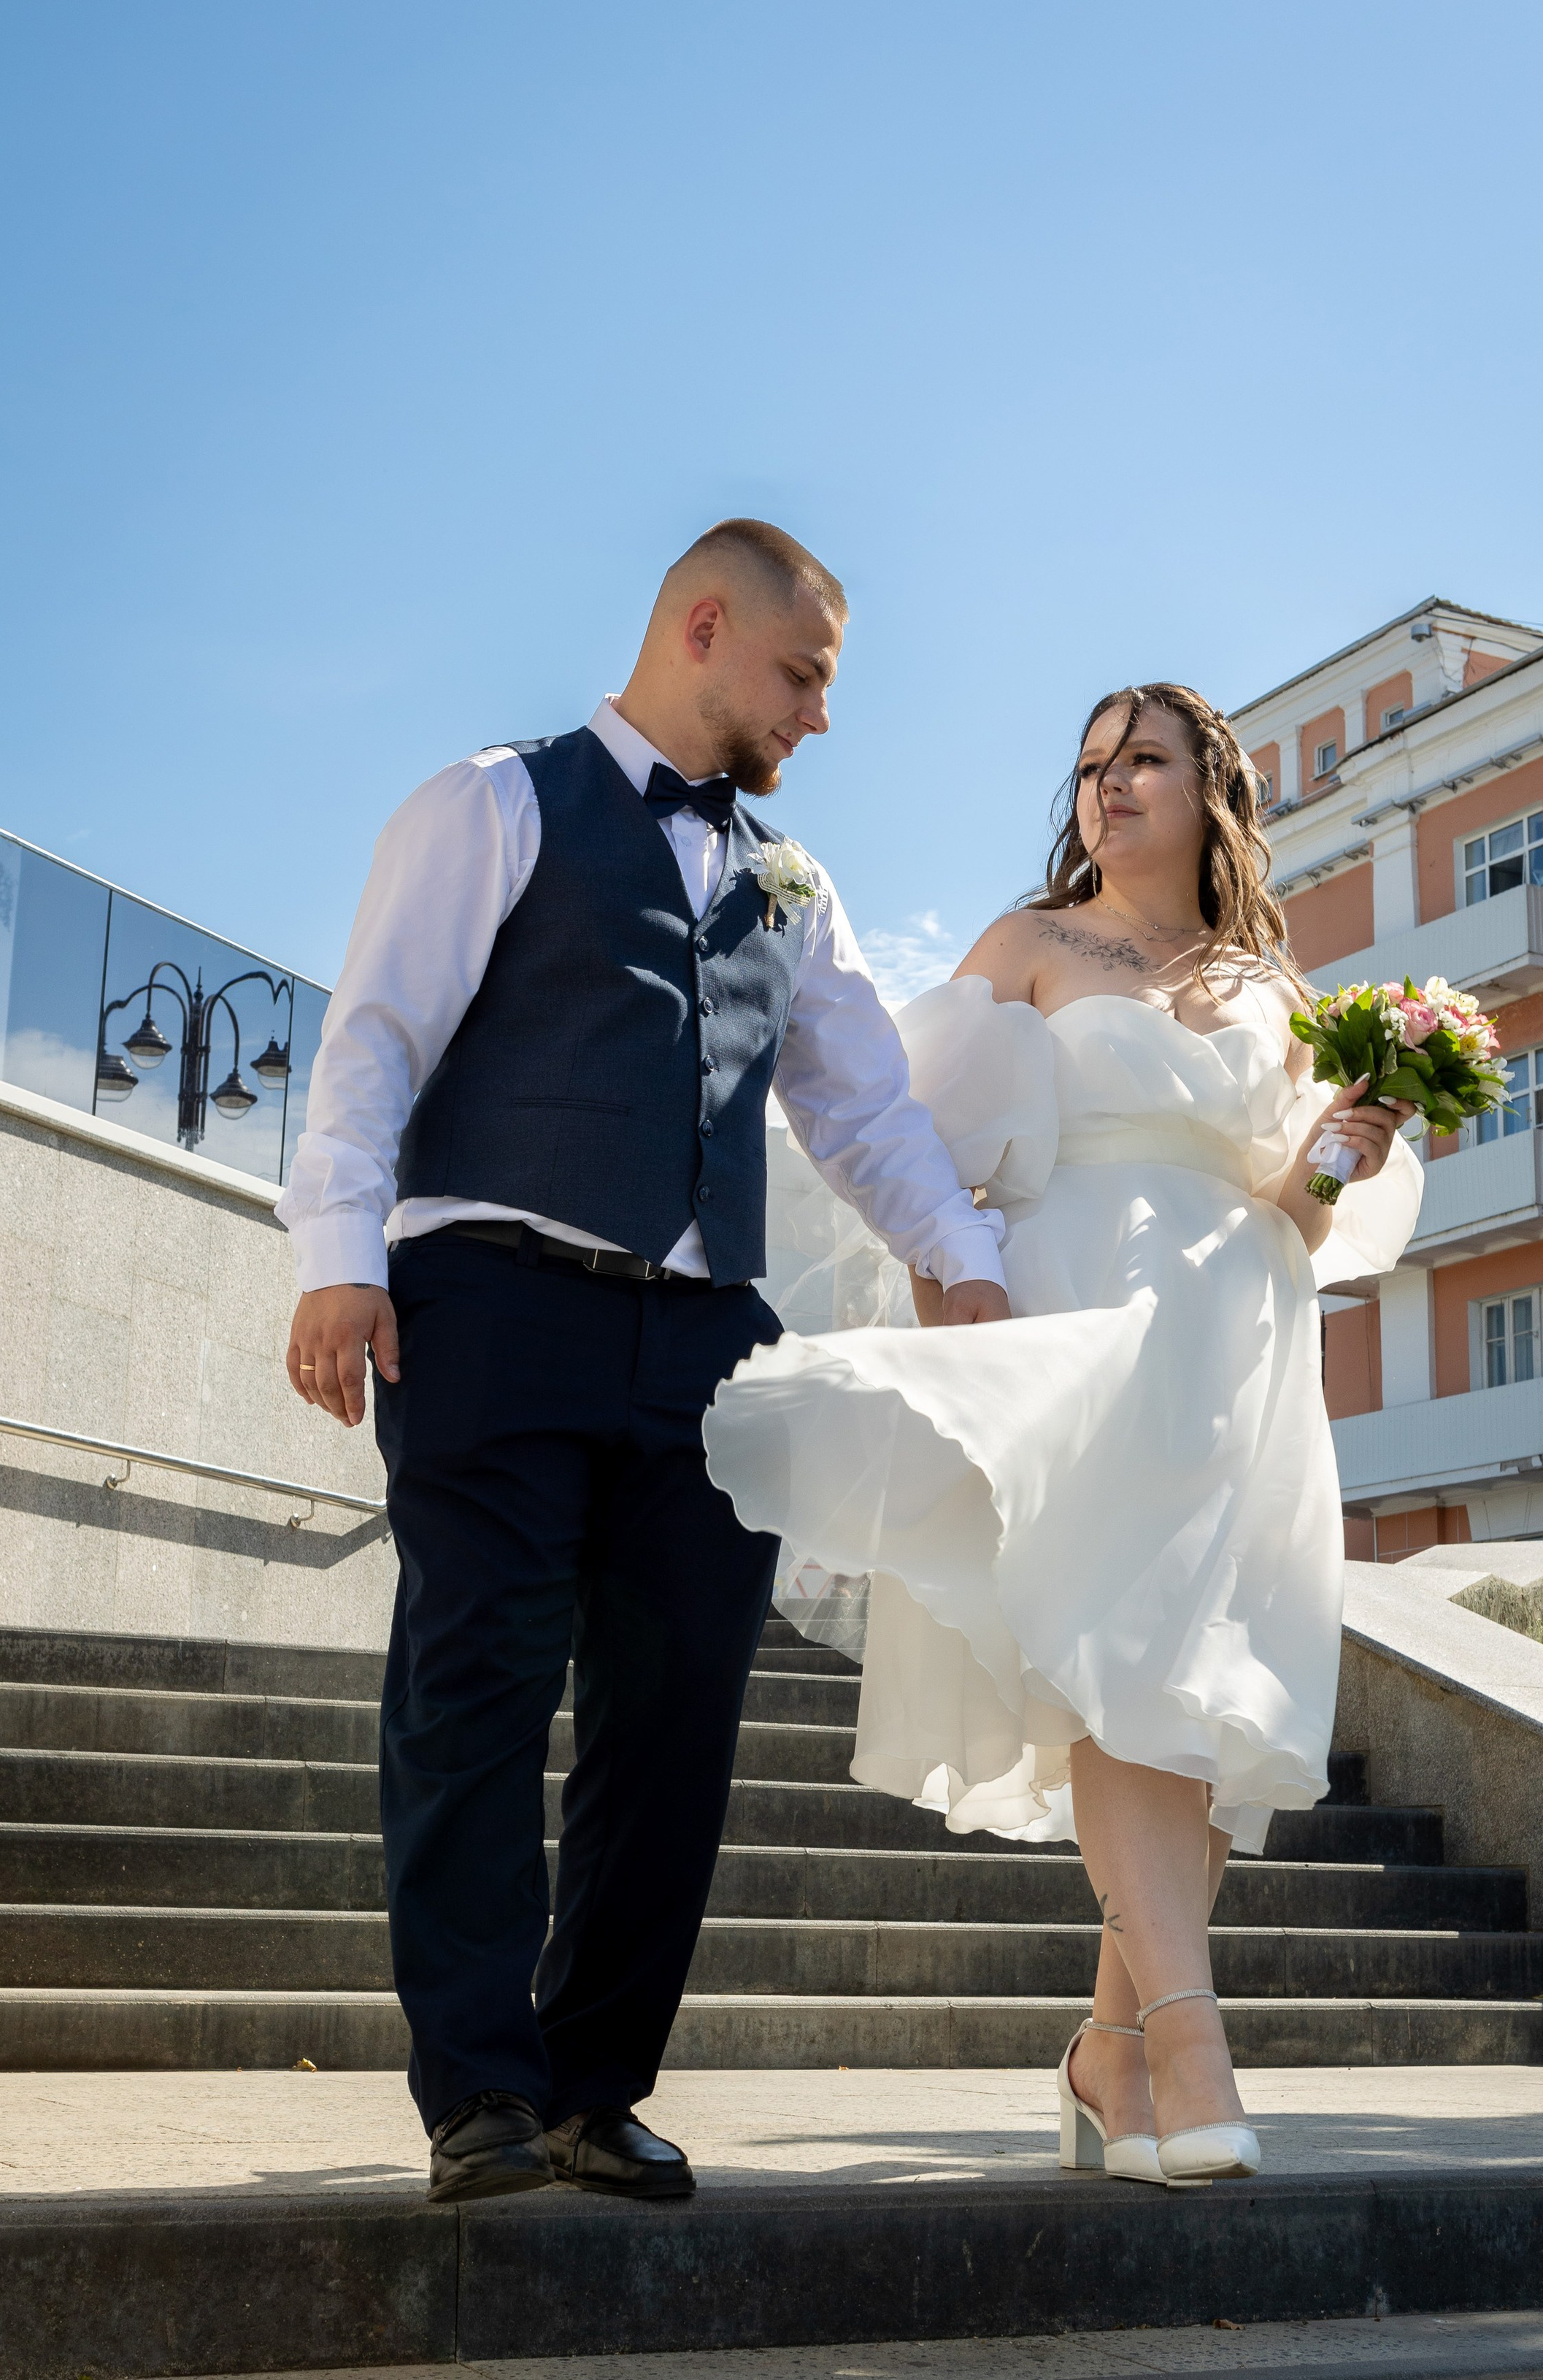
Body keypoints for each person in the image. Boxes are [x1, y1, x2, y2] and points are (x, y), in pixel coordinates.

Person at [279, 520, 1009, 2205]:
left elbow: (861, 1107)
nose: (820, 713)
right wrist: (336, 1259)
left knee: (675, 1712)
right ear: (701, 627)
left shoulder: (790, 889)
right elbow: (374, 1036)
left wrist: (958, 1266)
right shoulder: (494, 803)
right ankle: (475, 2088)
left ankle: (589, 2087)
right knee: (471, 1691)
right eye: (803, 674)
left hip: (701, 1339)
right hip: (487, 1301)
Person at [703, 683, 1423, 2187]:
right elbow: (916, 1147)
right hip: (1079, 1319)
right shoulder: (1029, 946)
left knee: (1200, 1703)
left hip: (1240, 1347)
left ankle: (1106, 2058)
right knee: (1117, 1665)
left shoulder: (1268, 982)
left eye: (1141, 760)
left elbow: (1288, 1210)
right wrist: (949, 1308)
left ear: (1208, 787)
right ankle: (1187, 2038)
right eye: (1090, 765)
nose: (1107, 786)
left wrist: (1345, 1150)